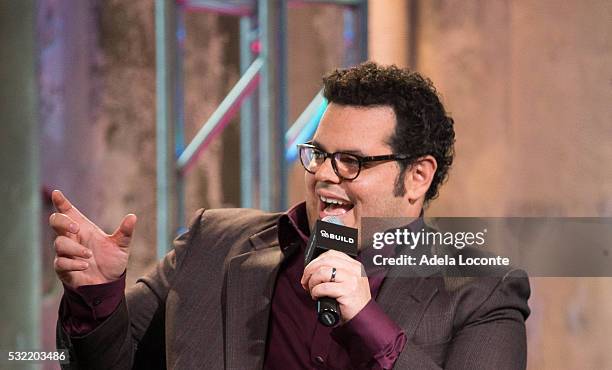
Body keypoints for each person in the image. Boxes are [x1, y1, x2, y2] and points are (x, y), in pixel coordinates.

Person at [50, 62, 530, 369]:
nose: (324, 174)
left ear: (418, 176)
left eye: (352, 161)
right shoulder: (211, 242)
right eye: (317, 154)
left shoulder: (482, 290)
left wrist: (366, 321)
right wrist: (97, 294)